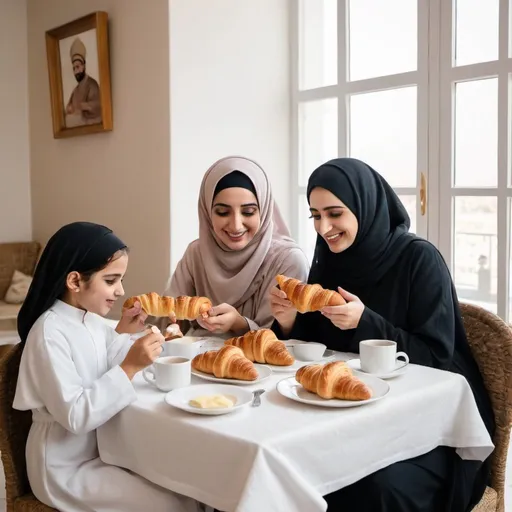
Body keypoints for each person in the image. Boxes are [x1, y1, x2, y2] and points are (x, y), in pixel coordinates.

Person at [270, 158, 495, 512]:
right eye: (315, 215)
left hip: (432, 429)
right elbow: (315, 344)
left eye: (334, 213)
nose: (324, 227)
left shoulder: (418, 259)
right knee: (290, 472)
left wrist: (365, 322)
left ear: (365, 205)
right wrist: (286, 322)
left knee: (371, 489)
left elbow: (437, 356)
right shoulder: (328, 261)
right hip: (354, 421)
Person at [13, 222, 200, 512]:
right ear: (75, 281)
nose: (121, 290)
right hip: (65, 468)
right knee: (172, 504)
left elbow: (103, 363)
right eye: (111, 280)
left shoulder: (89, 319)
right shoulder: (49, 333)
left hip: (104, 451)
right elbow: (75, 415)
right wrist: (128, 367)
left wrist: (124, 333)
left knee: (193, 489)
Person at [167, 156, 309, 338]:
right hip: (197, 360)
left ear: (264, 210)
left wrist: (238, 323)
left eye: (248, 212)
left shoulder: (287, 260)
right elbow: (171, 318)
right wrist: (171, 326)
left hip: (261, 364)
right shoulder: (196, 253)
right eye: (222, 212)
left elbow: (284, 338)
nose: (236, 225)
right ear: (207, 211)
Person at [65, 37, 102, 126]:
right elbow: (68, 108)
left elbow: (98, 106)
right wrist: (69, 109)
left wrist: (82, 106)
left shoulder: (92, 84)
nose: (76, 72)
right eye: (74, 69)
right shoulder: (75, 90)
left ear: (83, 66)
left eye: (77, 67)